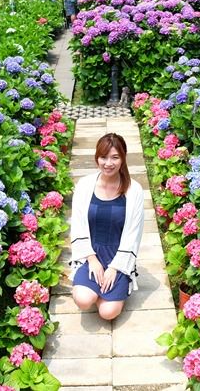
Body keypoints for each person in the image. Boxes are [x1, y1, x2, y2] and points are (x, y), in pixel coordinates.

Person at [69, 133, 145, 321]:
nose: (108, 163)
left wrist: (115, 268)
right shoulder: (85, 185)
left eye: (115, 157)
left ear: (123, 158)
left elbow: (133, 234)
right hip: (91, 255)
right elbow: (78, 224)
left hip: (118, 255)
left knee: (108, 313)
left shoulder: (133, 190)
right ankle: (94, 289)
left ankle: (115, 289)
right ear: (97, 157)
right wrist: (92, 260)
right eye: (103, 157)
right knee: (83, 300)